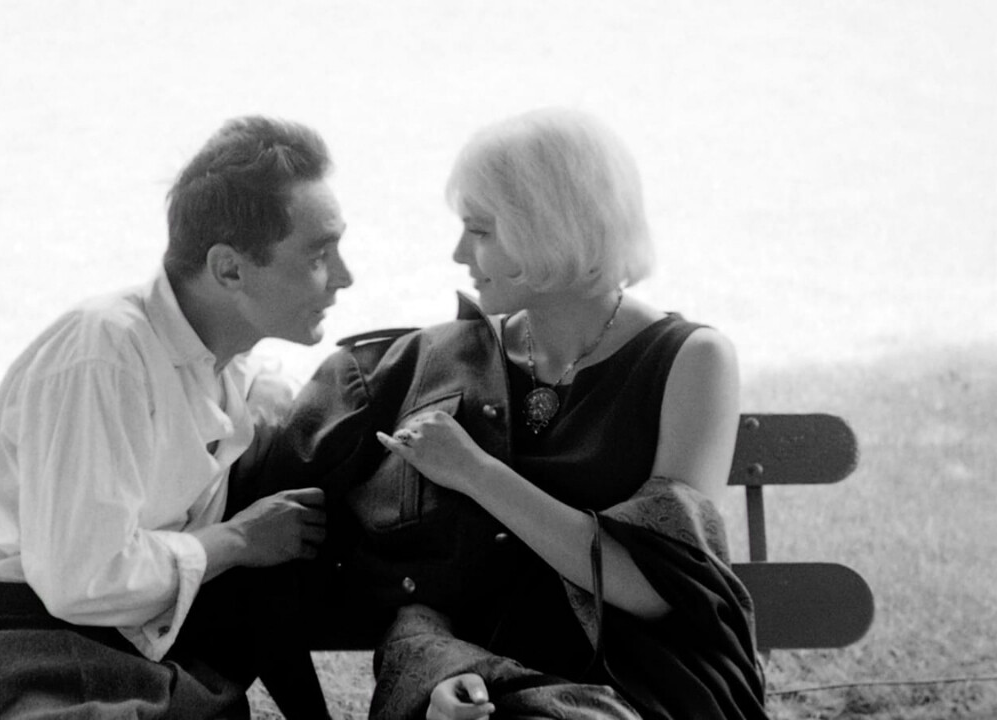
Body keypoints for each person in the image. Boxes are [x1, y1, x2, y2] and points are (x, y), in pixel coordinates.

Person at [245, 107, 768, 719]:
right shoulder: (429, 363)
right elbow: (369, 571)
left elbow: (657, 586)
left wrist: (475, 472)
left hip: (651, 689)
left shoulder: (692, 360)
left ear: (550, 228)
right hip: (489, 689)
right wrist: (438, 677)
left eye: (481, 230)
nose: (459, 252)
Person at [0, 115, 353, 719]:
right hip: (20, 652)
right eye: (319, 255)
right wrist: (238, 541)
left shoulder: (223, 367)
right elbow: (83, 578)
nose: (344, 278)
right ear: (229, 269)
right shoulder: (103, 355)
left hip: (133, 663)